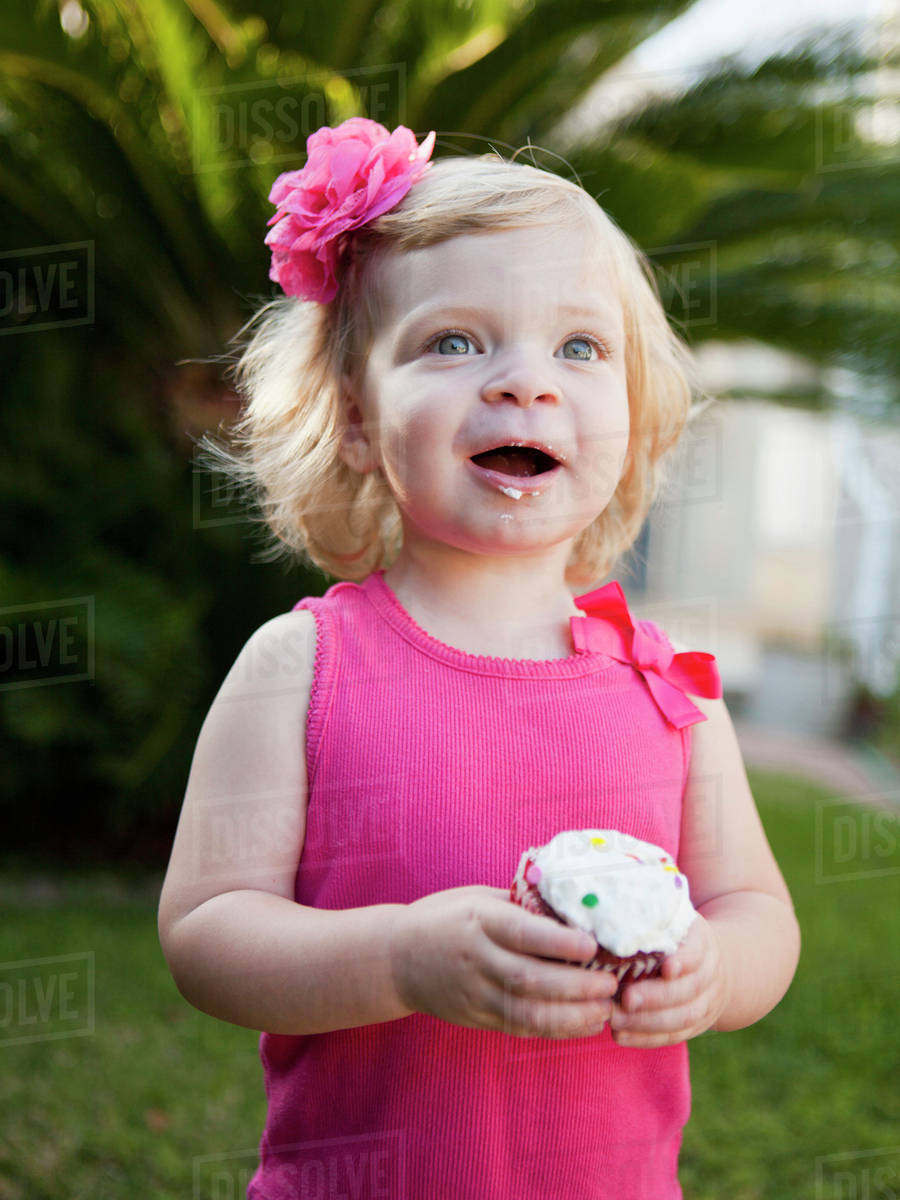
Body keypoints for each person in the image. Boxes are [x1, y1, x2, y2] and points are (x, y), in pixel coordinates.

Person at [157, 119, 800, 1199]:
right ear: (357, 419)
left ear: (633, 421)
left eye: (580, 348)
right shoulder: (302, 667)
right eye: (455, 342)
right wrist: (404, 958)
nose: (525, 384)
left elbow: (757, 913)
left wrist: (717, 969)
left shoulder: (670, 689)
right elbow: (208, 935)